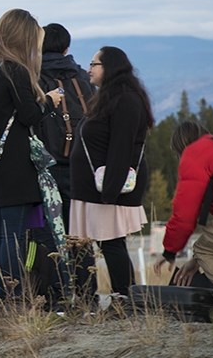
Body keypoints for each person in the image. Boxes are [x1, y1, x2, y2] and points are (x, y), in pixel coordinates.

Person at [0, 9, 63, 300]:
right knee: (14, 233)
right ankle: (13, 295)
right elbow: (29, 115)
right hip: (15, 161)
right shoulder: (15, 70)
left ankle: (1, 293)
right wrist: (49, 101)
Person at [69, 46, 154, 297]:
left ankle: (125, 297)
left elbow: (121, 147)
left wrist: (110, 191)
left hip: (106, 188)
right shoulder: (106, 98)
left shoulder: (126, 99)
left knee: (111, 242)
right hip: (91, 189)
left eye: (94, 64)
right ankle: (87, 298)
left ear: (110, 67)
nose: (89, 69)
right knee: (83, 245)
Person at [34, 23, 97, 304]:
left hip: (44, 167)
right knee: (80, 232)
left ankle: (54, 294)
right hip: (81, 166)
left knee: (47, 231)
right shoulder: (82, 79)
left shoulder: (34, 78)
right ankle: (87, 293)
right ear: (67, 47)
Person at [153, 122, 213, 290]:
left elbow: (184, 217)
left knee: (204, 249)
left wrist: (170, 251)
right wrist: (195, 261)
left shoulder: (194, 154)